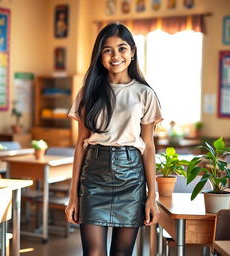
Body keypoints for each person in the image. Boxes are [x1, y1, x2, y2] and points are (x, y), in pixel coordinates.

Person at [65, 22, 163, 256]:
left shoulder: (145, 93)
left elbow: (148, 147)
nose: (115, 56)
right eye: (107, 50)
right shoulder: (88, 91)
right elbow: (80, 144)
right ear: (100, 55)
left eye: (121, 49)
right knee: (94, 253)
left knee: (122, 253)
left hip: (132, 178)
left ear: (132, 52)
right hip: (93, 176)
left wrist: (152, 196)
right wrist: (73, 195)